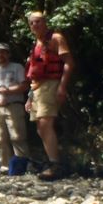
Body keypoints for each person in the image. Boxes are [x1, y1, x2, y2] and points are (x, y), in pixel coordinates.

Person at [25, 11, 75, 181]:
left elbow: (69, 63)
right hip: (37, 89)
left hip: (51, 84)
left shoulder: (56, 38)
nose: (35, 25)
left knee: (46, 123)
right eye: (32, 23)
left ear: (45, 22)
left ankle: (55, 165)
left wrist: (62, 87)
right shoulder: (36, 44)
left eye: (38, 21)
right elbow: (34, 74)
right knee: (40, 127)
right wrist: (30, 97)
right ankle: (51, 161)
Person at [0, 42, 30, 174]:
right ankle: (5, 167)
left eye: (4, 52)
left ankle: (22, 167)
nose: (1, 55)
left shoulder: (17, 67)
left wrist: (8, 91)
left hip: (14, 105)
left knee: (17, 137)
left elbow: (25, 86)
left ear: (9, 54)